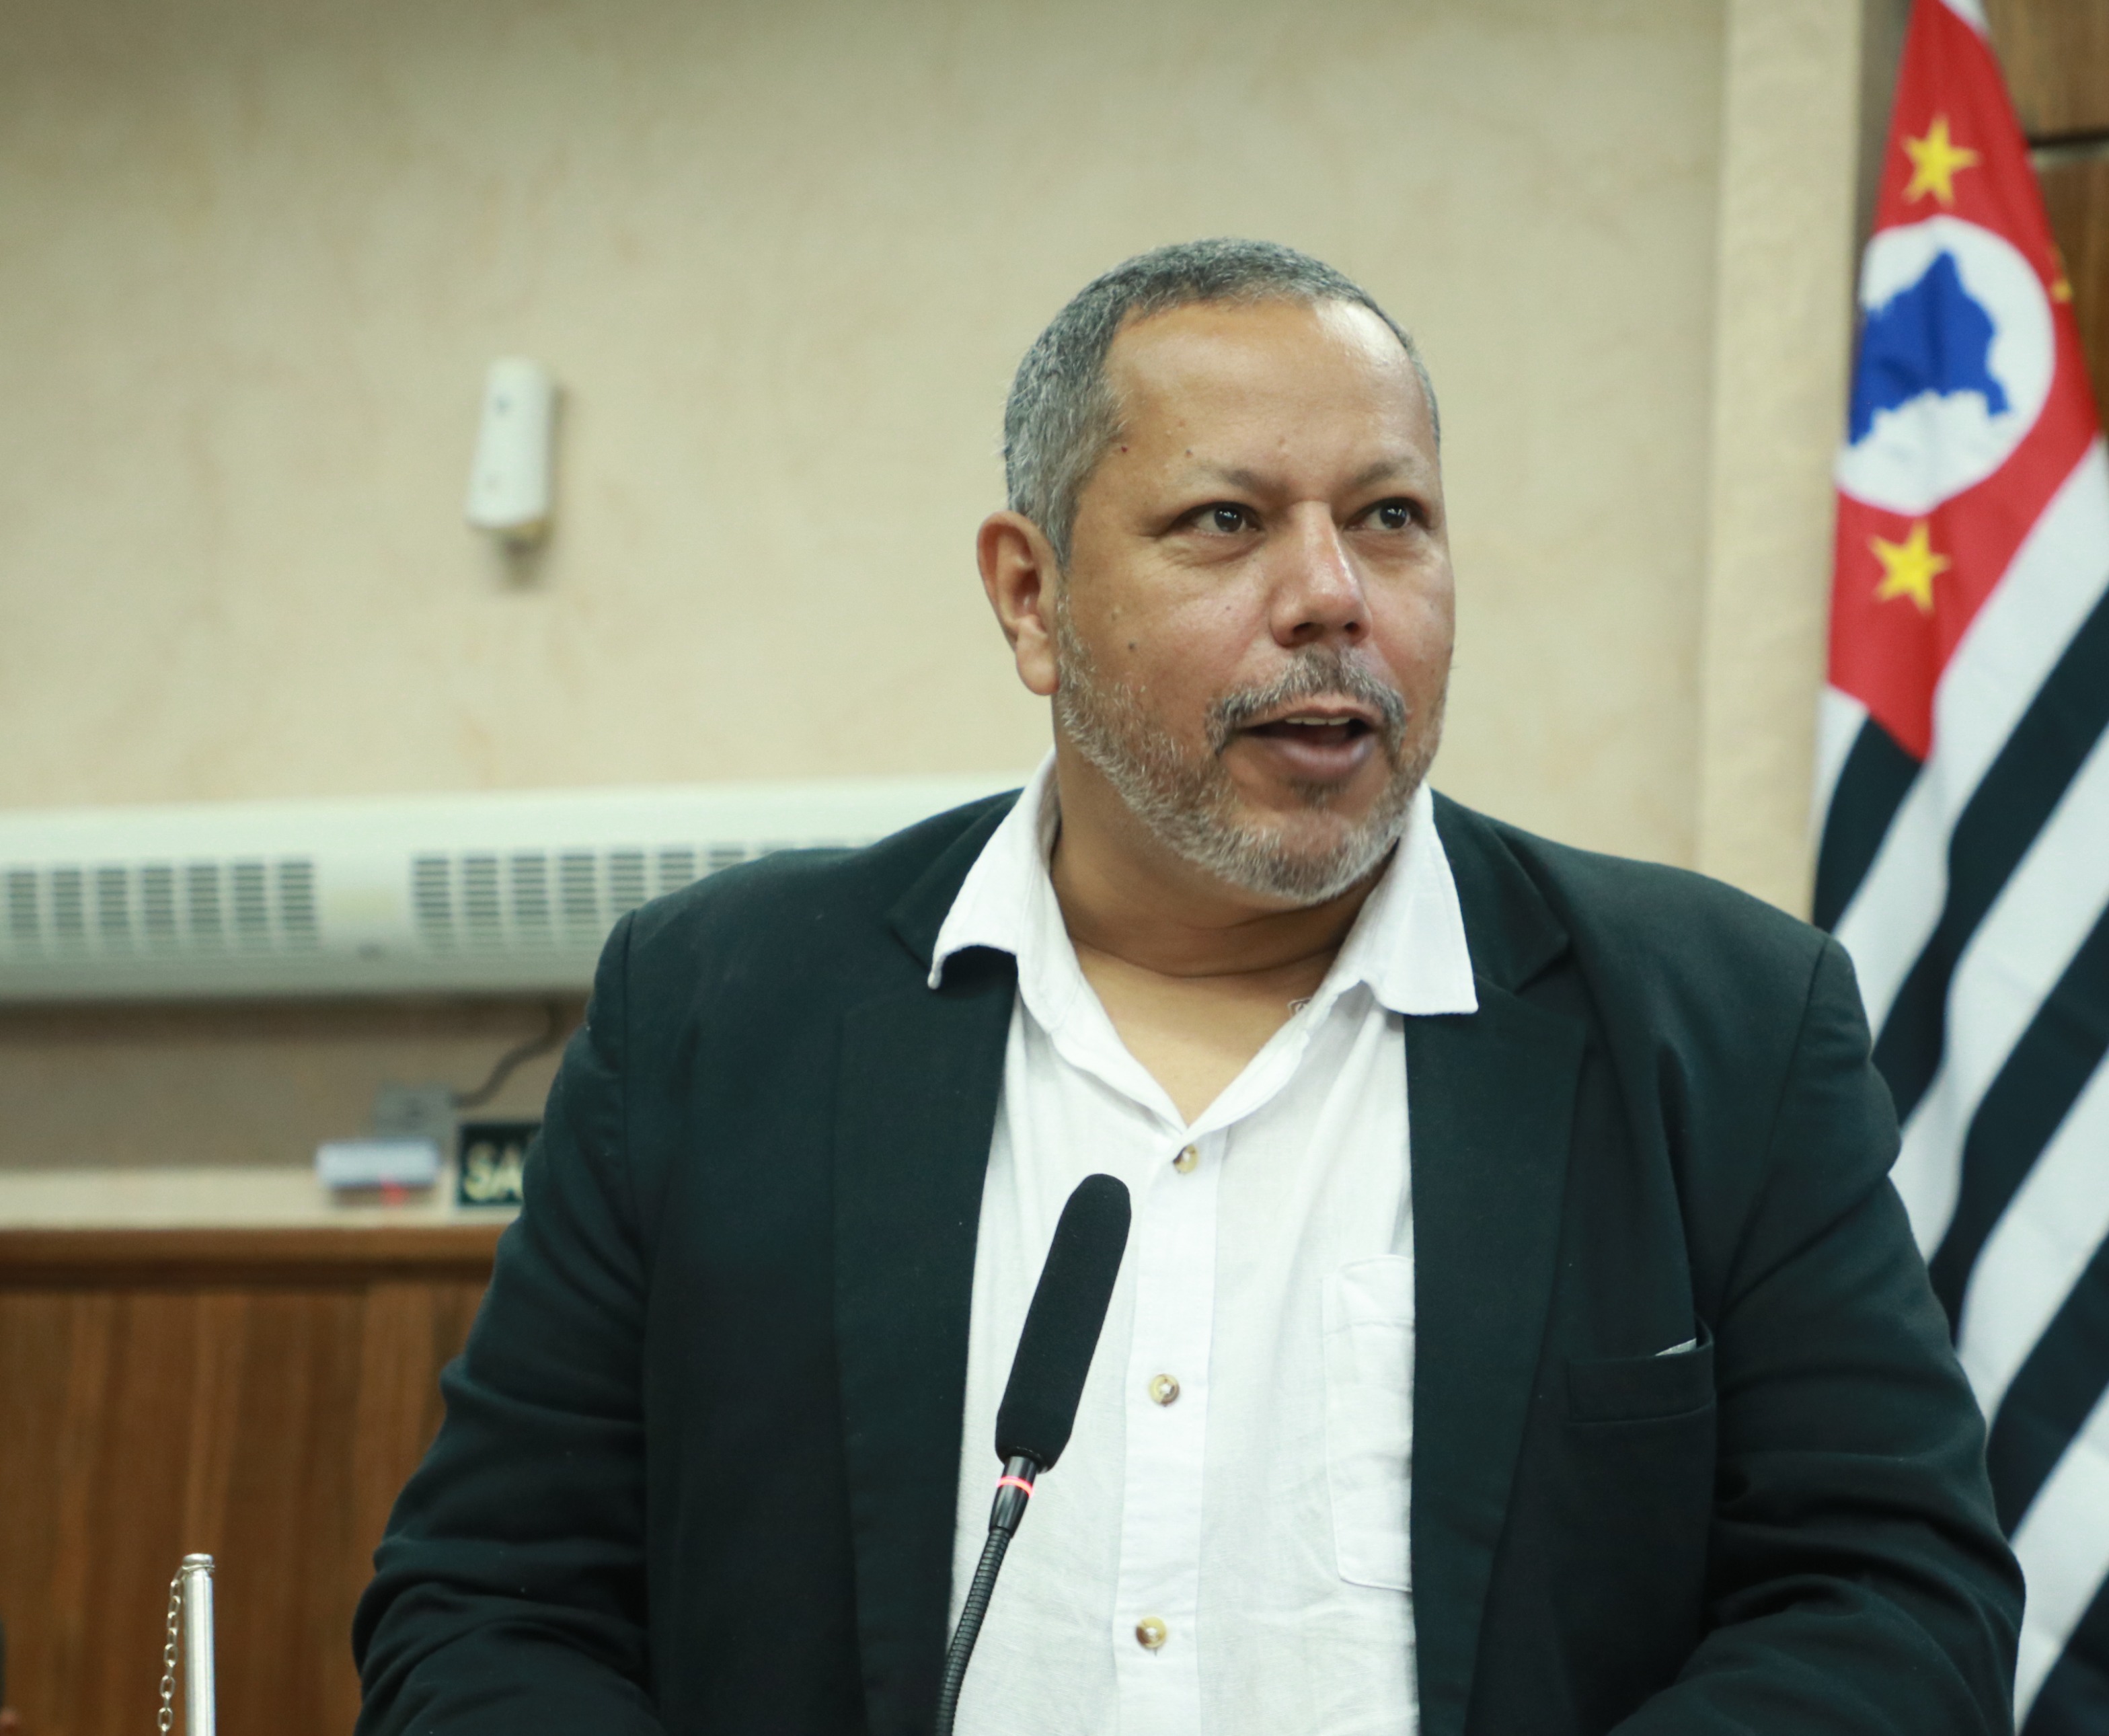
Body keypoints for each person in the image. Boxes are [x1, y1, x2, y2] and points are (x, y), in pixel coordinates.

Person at [354, 239, 2022, 1736]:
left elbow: (1894, 1604)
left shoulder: (1723, 1025)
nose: (1330, 596)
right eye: (1226, 523)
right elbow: (487, 1609)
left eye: (1390, 518)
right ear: (1032, 599)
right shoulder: (719, 1012)